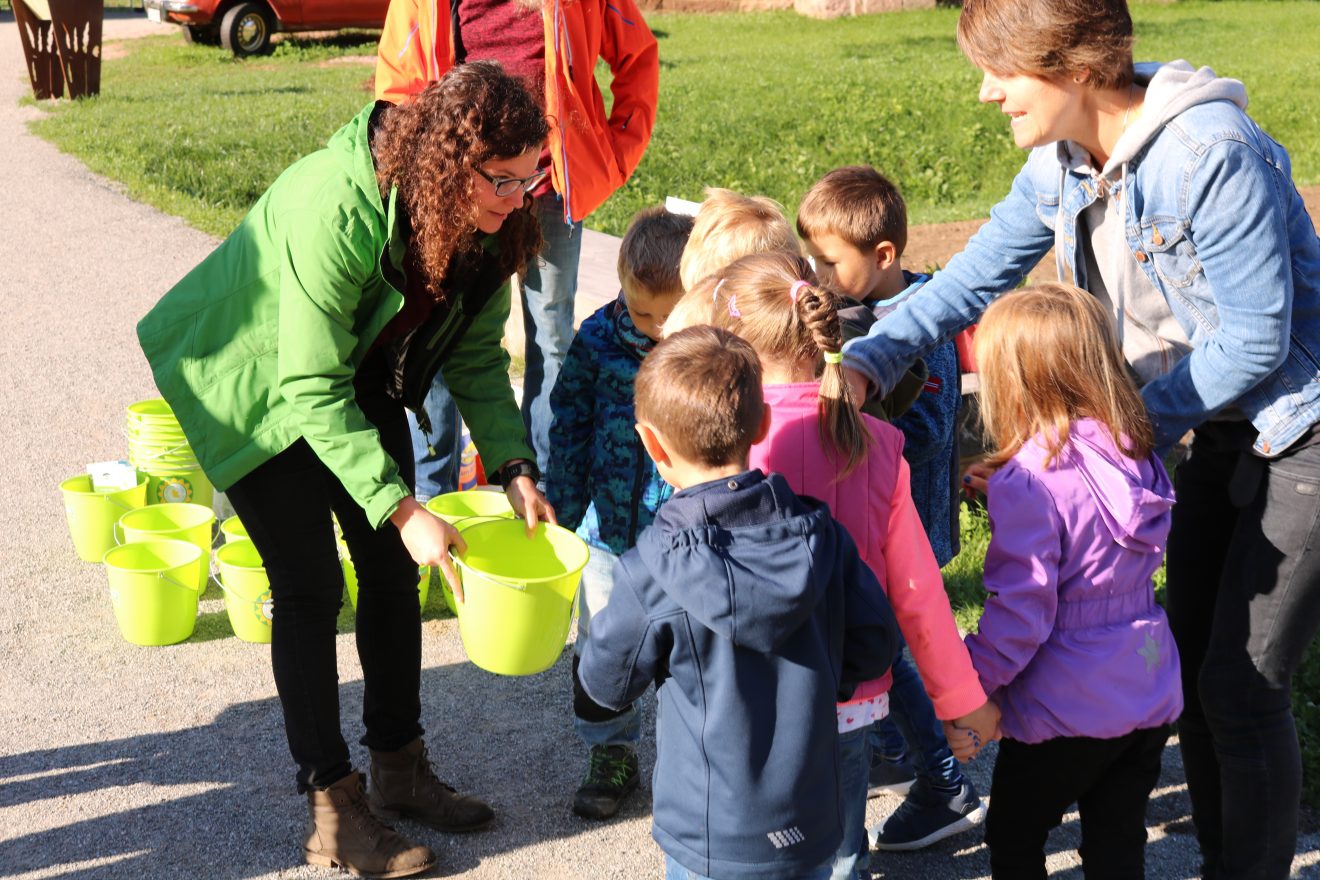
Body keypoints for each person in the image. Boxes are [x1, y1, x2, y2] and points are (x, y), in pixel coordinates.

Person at [840, 1, 1320, 875]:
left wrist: (1119, 432)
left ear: (1070, 61)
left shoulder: (1210, 152)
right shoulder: (1065, 166)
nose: (986, 94)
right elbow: (974, 277)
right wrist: (869, 357)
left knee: (1240, 689)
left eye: (1000, 69)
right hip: (1212, 429)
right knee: (1200, 679)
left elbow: (1257, 339)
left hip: (1300, 432)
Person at [137, 63, 556, 877]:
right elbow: (305, 386)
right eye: (504, 180)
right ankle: (333, 807)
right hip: (255, 376)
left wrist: (511, 462)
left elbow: (474, 350)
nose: (520, 197)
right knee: (308, 585)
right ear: (447, 164)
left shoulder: (488, 214)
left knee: (393, 574)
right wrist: (404, 507)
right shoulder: (337, 204)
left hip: (346, 369)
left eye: (532, 176)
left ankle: (400, 768)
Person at [695, 251, 997, 879]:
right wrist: (959, 698)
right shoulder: (878, 442)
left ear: (737, 344)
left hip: (748, 688)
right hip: (849, 691)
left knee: (750, 837)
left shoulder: (726, 443)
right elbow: (918, 595)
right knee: (841, 845)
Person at [577, 325, 902, 880]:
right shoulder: (823, 538)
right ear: (763, 423)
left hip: (710, 833)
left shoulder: (651, 568)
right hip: (811, 817)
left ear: (651, 444)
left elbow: (605, 685)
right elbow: (875, 648)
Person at [375, 0, 660, 496]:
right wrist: (421, 172)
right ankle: (431, 490)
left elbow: (638, 55)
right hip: (460, 190)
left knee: (550, 337)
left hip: (549, 188)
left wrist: (614, 152)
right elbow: (399, 81)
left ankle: (537, 482)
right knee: (438, 331)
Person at [961, 282, 1182, 878]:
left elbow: (1023, 610)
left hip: (1062, 702)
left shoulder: (1029, 480)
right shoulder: (1134, 448)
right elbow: (1093, 513)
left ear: (1013, 379)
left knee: (1015, 838)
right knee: (1117, 841)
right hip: (1145, 681)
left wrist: (972, 681)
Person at [798, 166, 980, 852]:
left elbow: (932, 432)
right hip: (867, 526)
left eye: (828, 260)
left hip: (910, 529)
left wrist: (860, 398)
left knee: (892, 652)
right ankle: (903, 749)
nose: (815, 272)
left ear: (883, 257)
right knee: (882, 645)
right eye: (809, 256)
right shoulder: (847, 310)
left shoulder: (917, 324)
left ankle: (945, 782)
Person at [545, 205, 693, 819]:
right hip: (606, 535)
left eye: (672, 313)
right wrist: (564, 504)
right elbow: (570, 425)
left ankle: (692, 757)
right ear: (622, 289)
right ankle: (610, 751)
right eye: (643, 312)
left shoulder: (705, 347)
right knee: (603, 646)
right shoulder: (599, 339)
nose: (658, 328)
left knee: (690, 649)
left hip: (687, 537)